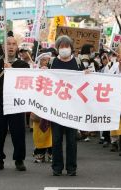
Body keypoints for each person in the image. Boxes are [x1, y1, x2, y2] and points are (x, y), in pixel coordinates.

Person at [0, 36, 29, 171]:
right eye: (8, 44)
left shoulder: (23, 66)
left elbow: (28, 85)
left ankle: (19, 160)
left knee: (18, 133)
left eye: (13, 44)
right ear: (4, 47)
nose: (10, 46)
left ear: (17, 47)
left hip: (16, 104)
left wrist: (12, 71)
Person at [48, 35, 84, 176]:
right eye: (61, 46)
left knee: (71, 140)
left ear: (71, 48)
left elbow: (84, 81)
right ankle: (57, 167)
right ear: (57, 49)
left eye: (66, 46)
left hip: (72, 107)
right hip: (56, 107)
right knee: (56, 139)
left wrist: (86, 74)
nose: (64, 49)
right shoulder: (52, 62)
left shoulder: (77, 62)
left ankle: (71, 168)